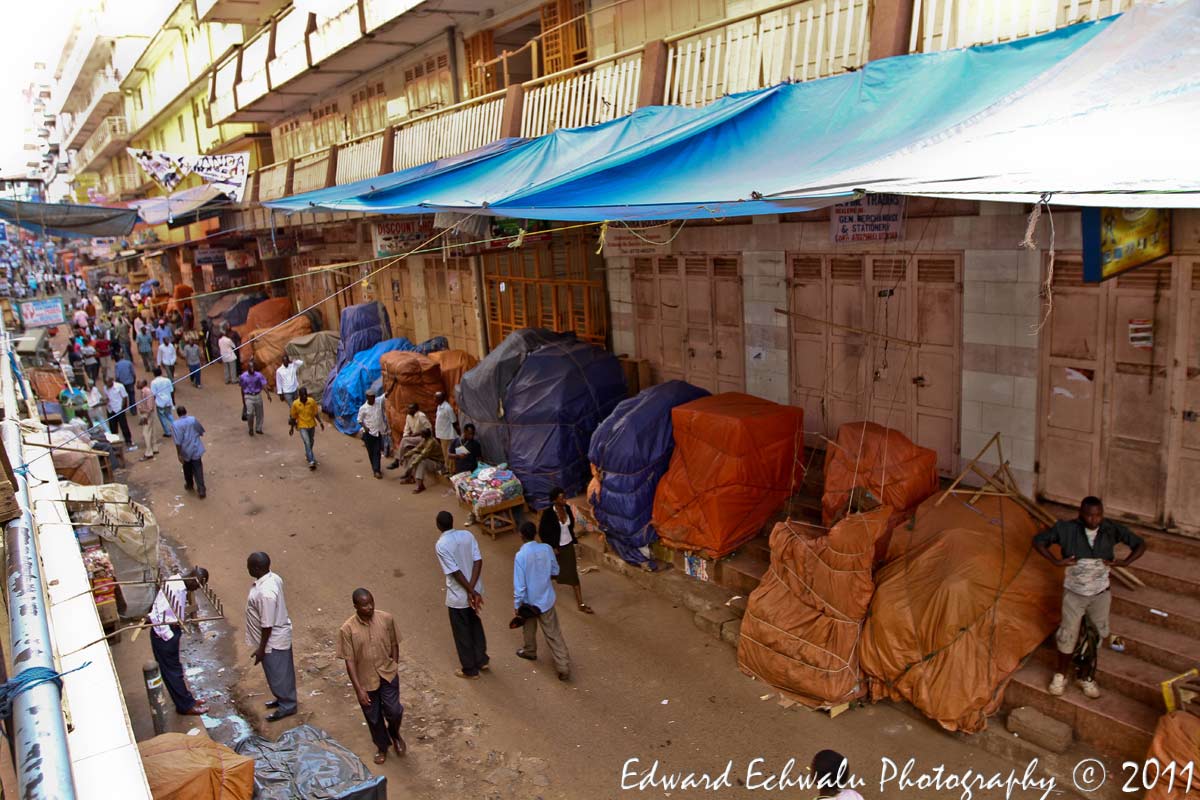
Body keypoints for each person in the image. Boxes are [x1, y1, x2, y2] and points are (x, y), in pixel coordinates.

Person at [1033, 496, 1146, 699]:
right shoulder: (1066, 529)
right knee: (1067, 634)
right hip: (1074, 594)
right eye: (1089, 515)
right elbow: (1038, 541)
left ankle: (1085, 676)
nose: (1094, 520)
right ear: (1080, 514)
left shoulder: (1111, 529)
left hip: (1100, 594)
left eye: (1098, 515)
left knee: (1095, 635)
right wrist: (1055, 561)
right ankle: (1061, 675)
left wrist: (1126, 562)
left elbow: (1140, 544)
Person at [338, 589, 406, 764]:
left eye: (371, 602)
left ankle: (395, 734)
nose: (370, 607)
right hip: (366, 680)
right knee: (373, 718)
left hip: (387, 674)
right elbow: (349, 661)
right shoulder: (347, 630)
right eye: (365, 605)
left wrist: (394, 665)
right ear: (355, 606)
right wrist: (358, 689)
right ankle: (382, 746)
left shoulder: (386, 619)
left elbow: (394, 644)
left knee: (394, 711)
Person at [148, 567, 210, 716]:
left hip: (171, 628)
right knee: (173, 672)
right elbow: (157, 615)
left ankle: (187, 700)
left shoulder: (178, 584)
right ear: (194, 580)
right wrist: (169, 637)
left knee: (175, 669)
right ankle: (185, 706)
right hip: (164, 634)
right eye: (198, 586)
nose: (197, 589)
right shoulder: (174, 588)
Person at [513, 521, 572, 680]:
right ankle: (563, 665)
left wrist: (517, 605)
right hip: (546, 600)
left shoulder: (520, 556)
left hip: (529, 603)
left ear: (521, 535)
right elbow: (555, 570)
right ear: (535, 533)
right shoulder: (546, 549)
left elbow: (520, 586)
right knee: (553, 633)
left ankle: (530, 651)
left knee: (528, 628)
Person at [435, 510, 488, 679]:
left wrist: (469, 591)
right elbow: (478, 561)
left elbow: (455, 572)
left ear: (438, 526)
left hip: (458, 596)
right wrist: (473, 590)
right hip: (474, 591)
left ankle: (470, 669)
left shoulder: (441, 544)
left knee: (462, 632)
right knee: (475, 624)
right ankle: (482, 659)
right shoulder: (467, 535)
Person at [245, 552, 297, 722]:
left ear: (257, 568)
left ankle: (288, 705)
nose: (247, 568)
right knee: (278, 672)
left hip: (273, 640)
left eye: (249, 566)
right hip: (274, 637)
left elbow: (267, 624)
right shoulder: (273, 578)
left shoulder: (266, 593)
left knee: (279, 673)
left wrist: (261, 649)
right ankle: (282, 698)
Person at [538, 487, 594, 614]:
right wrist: (552, 546)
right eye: (561, 498)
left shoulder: (568, 509)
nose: (564, 500)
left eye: (564, 497)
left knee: (573, 575)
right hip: (556, 548)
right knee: (554, 572)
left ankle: (581, 604)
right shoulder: (548, 514)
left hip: (568, 546)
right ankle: (540, 590)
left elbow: (571, 526)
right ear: (554, 500)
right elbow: (542, 532)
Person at [172, 405, 207, 498]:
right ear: (186, 412)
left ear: (178, 414)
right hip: (196, 447)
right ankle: (201, 489)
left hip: (185, 450)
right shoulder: (193, 420)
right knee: (198, 468)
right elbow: (201, 431)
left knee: (187, 468)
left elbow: (177, 441)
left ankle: (189, 484)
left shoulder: (176, 425)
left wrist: (179, 454)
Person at [387, 403, 431, 471]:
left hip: (424, 438)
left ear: (415, 410)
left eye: (410, 409)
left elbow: (429, 429)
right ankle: (408, 472)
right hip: (414, 438)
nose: (408, 410)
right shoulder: (408, 416)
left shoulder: (421, 416)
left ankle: (397, 461)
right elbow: (406, 429)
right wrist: (405, 437)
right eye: (408, 408)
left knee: (405, 441)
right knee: (405, 446)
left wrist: (418, 433)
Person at [289, 386, 324, 469]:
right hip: (302, 426)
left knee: (311, 441)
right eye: (303, 395)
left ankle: (308, 453)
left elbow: (315, 413)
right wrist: (291, 428)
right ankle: (311, 461)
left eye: (305, 395)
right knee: (307, 442)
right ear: (299, 395)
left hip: (311, 425)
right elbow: (293, 417)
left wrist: (320, 422)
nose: (304, 397)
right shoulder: (295, 404)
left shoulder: (311, 401)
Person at [357, 389, 388, 479]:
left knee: (377, 451)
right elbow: (359, 420)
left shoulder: (378, 401)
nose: (373, 399)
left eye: (374, 397)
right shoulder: (363, 408)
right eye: (371, 397)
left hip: (378, 432)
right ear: (367, 397)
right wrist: (365, 427)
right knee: (371, 452)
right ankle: (375, 468)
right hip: (368, 433)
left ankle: (377, 470)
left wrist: (394, 382)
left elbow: (387, 393)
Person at [399, 429, 441, 494]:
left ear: (425, 435)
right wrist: (404, 456)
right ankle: (411, 478)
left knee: (421, 462)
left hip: (437, 463)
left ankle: (420, 485)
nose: (420, 435)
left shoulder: (431, 442)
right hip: (429, 459)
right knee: (414, 456)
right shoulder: (425, 440)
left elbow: (422, 455)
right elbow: (416, 449)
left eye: (422, 434)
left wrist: (411, 466)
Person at [239, 358, 271, 436]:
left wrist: (268, 394)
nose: (252, 369)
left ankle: (258, 428)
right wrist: (243, 400)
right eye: (250, 367)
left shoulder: (259, 375)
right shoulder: (243, 377)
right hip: (248, 396)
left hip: (257, 395)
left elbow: (263, 384)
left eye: (253, 367)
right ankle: (250, 428)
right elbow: (242, 388)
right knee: (250, 413)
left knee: (260, 413)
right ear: (248, 368)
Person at [104, 376, 134, 448]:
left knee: (123, 426)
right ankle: (116, 443)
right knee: (113, 427)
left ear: (112, 381)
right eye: (106, 383)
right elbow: (107, 397)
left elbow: (124, 397)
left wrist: (123, 408)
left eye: (108, 383)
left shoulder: (119, 386)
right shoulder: (105, 388)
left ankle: (128, 441)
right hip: (110, 410)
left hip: (119, 409)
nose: (107, 385)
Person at [434, 391, 458, 474]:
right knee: (445, 454)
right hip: (442, 434)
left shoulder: (448, 408)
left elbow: (454, 421)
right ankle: (447, 468)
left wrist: (457, 433)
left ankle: (451, 470)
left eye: (436, 398)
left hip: (447, 435)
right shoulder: (439, 406)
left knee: (449, 453)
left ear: (441, 398)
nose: (434, 399)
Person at [136, 379, 159, 459]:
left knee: (146, 433)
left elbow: (150, 407)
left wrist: (145, 416)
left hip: (147, 414)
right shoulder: (145, 391)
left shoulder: (147, 392)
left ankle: (149, 452)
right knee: (152, 430)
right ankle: (154, 448)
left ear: (142, 384)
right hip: (148, 413)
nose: (136, 385)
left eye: (138, 383)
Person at [150, 367, 175, 437]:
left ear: (154, 374)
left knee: (162, 417)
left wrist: (152, 403)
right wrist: (173, 401)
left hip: (160, 402)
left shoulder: (153, 382)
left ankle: (167, 432)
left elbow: (153, 394)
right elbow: (171, 391)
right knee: (169, 415)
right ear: (161, 372)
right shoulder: (167, 380)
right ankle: (175, 429)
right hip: (168, 401)